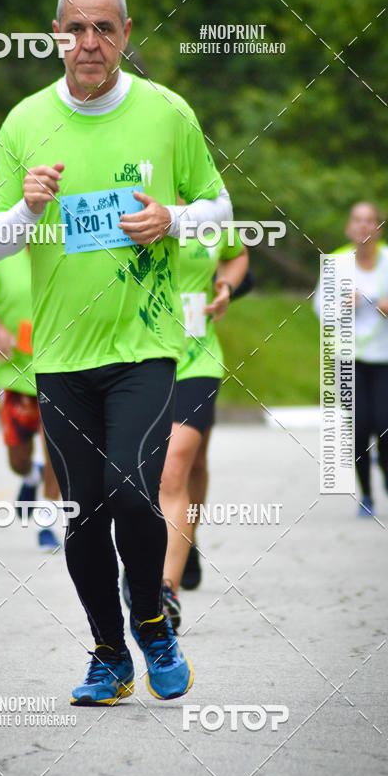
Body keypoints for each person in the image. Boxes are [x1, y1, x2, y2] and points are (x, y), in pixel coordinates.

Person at [0, 0, 233, 706]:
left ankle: (152, 622)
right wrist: (26, 209)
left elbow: (221, 207)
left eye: (105, 29)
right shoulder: (26, 122)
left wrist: (174, 221)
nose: (90, 43)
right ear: (56, 33)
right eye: (76, 29)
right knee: (82, 511)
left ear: (127, 32)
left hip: (145, 349)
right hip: (59, 357)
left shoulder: (167, 113)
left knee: (131, 488)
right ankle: (110, 654)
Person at [122, 221, 249, 628]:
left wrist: (226, 286)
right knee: (184, 467)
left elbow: (237, 254)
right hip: (141, 357)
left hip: (198, 359)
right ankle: (183, 536)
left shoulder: (208, 213)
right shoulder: (132, 208)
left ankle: (164, 590)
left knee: (178, 465)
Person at [315, 202, 388, 516]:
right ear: (349, 227)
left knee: (387, 424)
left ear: (379, 228)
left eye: (370, 221)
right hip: (349, 358)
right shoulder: (337, 262)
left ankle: (387, 460)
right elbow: (319, 310)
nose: (364, 227)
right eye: (357, 220)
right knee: (359, 427)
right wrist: (341, 302)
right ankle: (367, 496)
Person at [0, 248, 61, 550]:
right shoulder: (1, 259)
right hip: (13, 372)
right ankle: (30, 475)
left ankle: (46, 525)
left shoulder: (63, 254)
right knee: (17, 459)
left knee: (56, 453)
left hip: (58, 369)